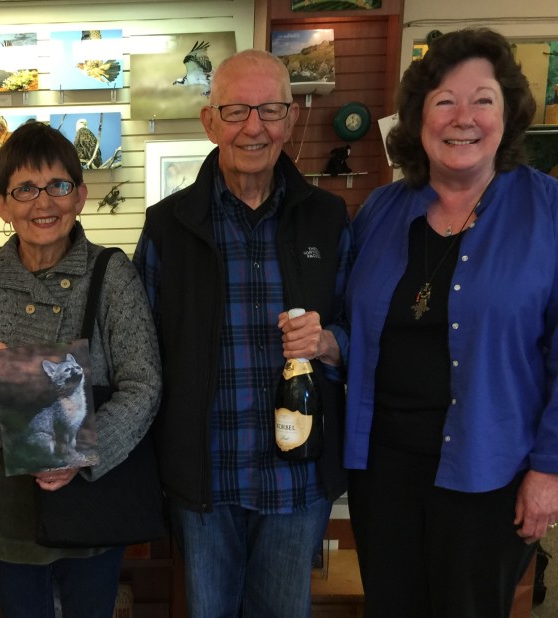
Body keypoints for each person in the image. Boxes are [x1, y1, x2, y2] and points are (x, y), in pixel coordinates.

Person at [344, 28, 558, 617]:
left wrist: (550, 471)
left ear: (508, 113)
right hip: (382, 472)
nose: (462, 118)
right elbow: (350, 327)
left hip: (489, 476)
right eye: (444, 101)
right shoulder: (382, 211)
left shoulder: (549, 212)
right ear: (418, 118)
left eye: (482, 100)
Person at [133, 49, 352, 617]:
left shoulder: (329, 220)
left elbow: (364, 331)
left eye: (270, 109)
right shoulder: (167, 227)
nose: (254, 127)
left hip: (296, 482)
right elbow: (140, 354)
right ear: (210, 122)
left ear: (292, 117)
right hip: (205, 478)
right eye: (236, 111)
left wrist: (330, 342)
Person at [0, 121, 161, 617]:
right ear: (2, 205)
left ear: (80, 195)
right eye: (24, 189)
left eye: (58, 186)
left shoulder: (111, 271)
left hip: (89, 491)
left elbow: (143, 384)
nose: (43, 203)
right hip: (2, 494)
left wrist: (83, 456)